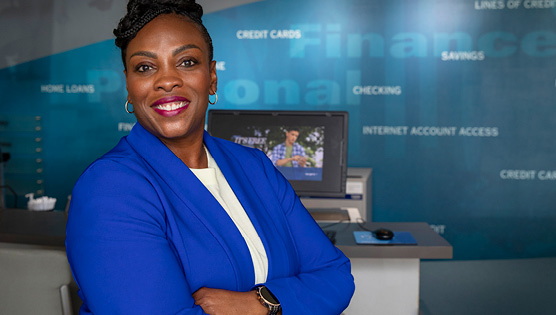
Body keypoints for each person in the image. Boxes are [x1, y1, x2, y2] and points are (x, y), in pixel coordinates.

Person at [65, 1, 354, 314]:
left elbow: (335, 275)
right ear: (128, 87)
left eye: (187, 62)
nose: (166, 80)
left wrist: (258, 305)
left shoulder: (253, 166)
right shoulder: (110, 188)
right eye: (145, 67)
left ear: (212, 77)